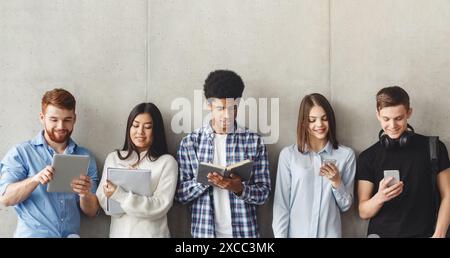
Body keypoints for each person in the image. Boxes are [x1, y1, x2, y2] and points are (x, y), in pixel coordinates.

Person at [175, 70, 271, 238]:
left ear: (238, 104)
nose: (227, 115)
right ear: (208, 104)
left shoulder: (253, 141)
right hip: (204, 234)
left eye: (232, 108)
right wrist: (206, 180)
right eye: (220, 108)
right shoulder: (190, 143)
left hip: (245, 234)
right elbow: (180, 195)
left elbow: (264, 193)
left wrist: (239, 188)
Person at [0, 88, 99, 237]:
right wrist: (35, 179)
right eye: (54, 119)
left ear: (74, 119)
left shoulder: (86, 157)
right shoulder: (21, 152)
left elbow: (91, 212)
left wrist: (85, 194)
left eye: (67, 120)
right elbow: (5, 198)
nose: (61, 126)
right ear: (42, 117)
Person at [357, 86, 450, 237]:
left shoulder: (434, 148)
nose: (392, 126)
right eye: (386, 119)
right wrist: (380, 197)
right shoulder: (368, 156)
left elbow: (448, 195)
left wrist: (439, 235)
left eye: (399, 118)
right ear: (378, 115)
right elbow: (363, 211)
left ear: (409, 113)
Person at [272, 93, 356, 238]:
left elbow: (346, 206)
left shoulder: (346, 155)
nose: (319, 125)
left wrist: (337, 182)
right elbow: (281, 206)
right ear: (304, 123)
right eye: (312, 120)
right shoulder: (289, 155)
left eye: (324, 119)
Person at [96, 103, 178, 237]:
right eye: (135, 125)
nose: (140, 132)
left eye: (147, 127)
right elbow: (105, 204)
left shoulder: (167, 162)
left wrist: (120, 195)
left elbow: (160, 206)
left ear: (156, 130)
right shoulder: (114, 158)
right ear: (129, 127)